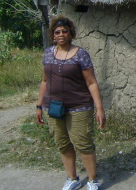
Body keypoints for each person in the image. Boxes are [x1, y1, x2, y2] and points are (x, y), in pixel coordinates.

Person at [35, 16, 106, 190]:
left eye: (65, 31)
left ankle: (92, 180)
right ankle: (72, 178)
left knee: (83, 143)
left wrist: (99, 109)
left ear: (70, 33)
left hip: (79, 107)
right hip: (53, 106)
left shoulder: (81, 54)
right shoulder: (47, 53)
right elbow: (45, 81)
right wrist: (38, 106)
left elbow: (91, 82)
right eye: (57, 32)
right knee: (62, 143)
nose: (61, 34)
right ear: (53, 34)